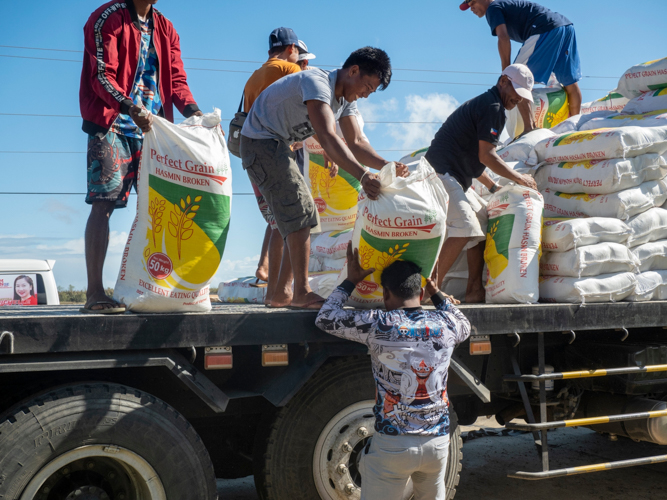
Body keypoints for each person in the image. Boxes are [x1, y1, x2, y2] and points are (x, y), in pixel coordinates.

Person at [240, 47, 409, 310]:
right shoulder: (317, 82)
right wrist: (364, 176)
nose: (366, 94)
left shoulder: (345, 101)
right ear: (353, 70)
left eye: (371, 92)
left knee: (296, 216)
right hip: (260, 142)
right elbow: (329, 136)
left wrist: (388, 165)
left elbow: (355, 141)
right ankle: (299, 292)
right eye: (367, 86)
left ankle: (279, 294)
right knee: (302, 212)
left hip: (279, 145)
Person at [315, 244, 470, 500]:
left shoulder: (379, 323)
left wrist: (351, 280)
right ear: (420, 293)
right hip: (438, 443)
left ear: (386, 294)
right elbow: (464, 322)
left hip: (394, 444)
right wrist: (437, 292)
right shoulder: (446, 324)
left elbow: (325, 317)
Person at [80, 0, 202, 314]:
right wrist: (130, 107)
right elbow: (101, 76)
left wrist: (196, 114)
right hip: (112, 124)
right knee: (103, 202)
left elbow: (176, 80)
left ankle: (158, 290)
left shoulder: (165, 27)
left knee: (159, 209)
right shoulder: (107, 17)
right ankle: (95, 292)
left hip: (153, 129)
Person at [425, 64, 538, 303]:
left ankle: (474, 290)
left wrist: (494, 188)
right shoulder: (493, 106)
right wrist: (519, 178)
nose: (517, 99)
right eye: (515, 91)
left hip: (452, 175)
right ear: (503, 81)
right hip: (440, 173)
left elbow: (476, 161)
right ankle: (429, 290)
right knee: (465, 226)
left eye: (522, 95)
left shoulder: (489, 104)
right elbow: (487, 156)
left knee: (481, 217)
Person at [244, 28, 307, 302]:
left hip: (252, 157)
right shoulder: (288, 69)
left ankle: (271, 288)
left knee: (277, 221)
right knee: (294, 219)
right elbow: (310, 104)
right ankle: (283, 292)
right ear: (292, 48)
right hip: (276, 150)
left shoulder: (254, 77)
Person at [461, 0, 582, 131]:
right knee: (570, 82)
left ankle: (529, 128)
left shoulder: (493, 8)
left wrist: (507, 71)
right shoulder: (504, 5)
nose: (471, 8)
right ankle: (575, 126)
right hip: (565, 26)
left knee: (515, 81)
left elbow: (503, 37)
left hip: (545, 28)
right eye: (468, 6)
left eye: (472, 2)